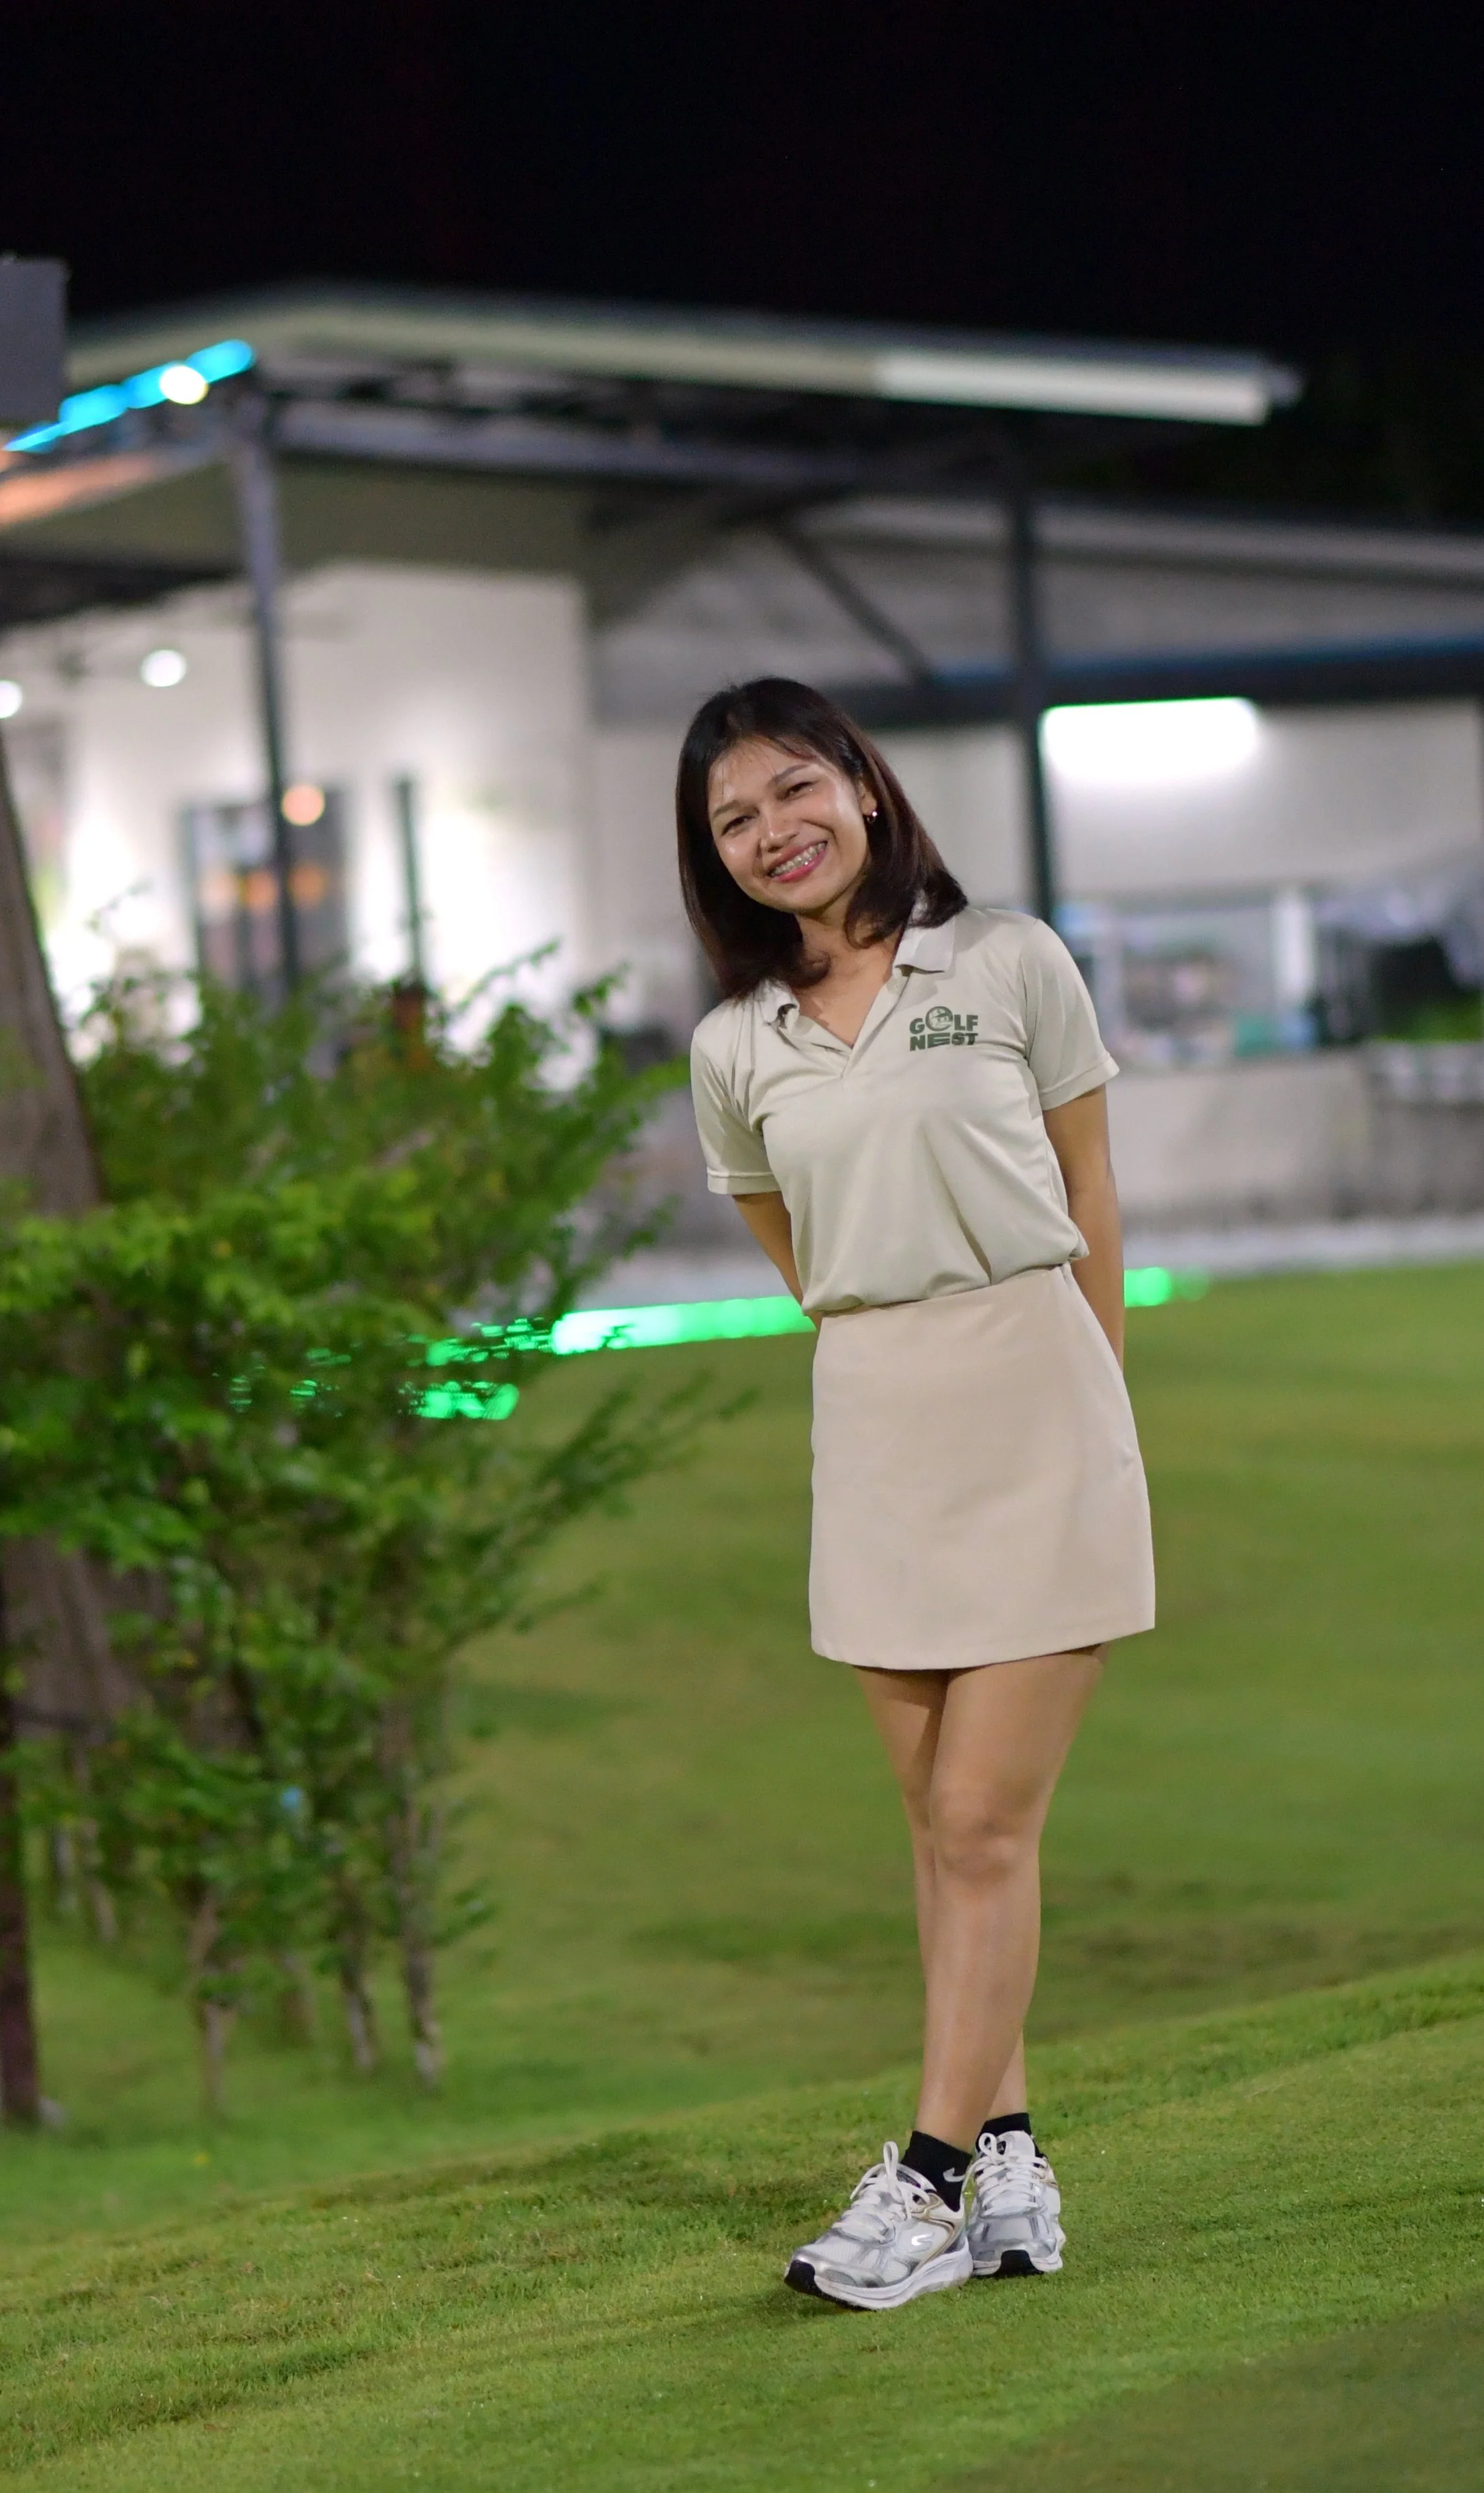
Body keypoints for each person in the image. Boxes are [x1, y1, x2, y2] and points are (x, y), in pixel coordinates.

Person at [681, 678, 1153, 2312]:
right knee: (940, 1832)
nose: (772, 832)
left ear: (862, 788)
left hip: (1035, 1401)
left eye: (792, 789)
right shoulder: (732, 1048)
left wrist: (1094, 1407)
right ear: (714, 857)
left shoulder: (1007, 960)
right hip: (876, 1428)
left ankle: (927, 2183)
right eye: (734, 819)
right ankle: (1008, 2157)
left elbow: (1090, 1191)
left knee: (979, 1820)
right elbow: (800, 1256)